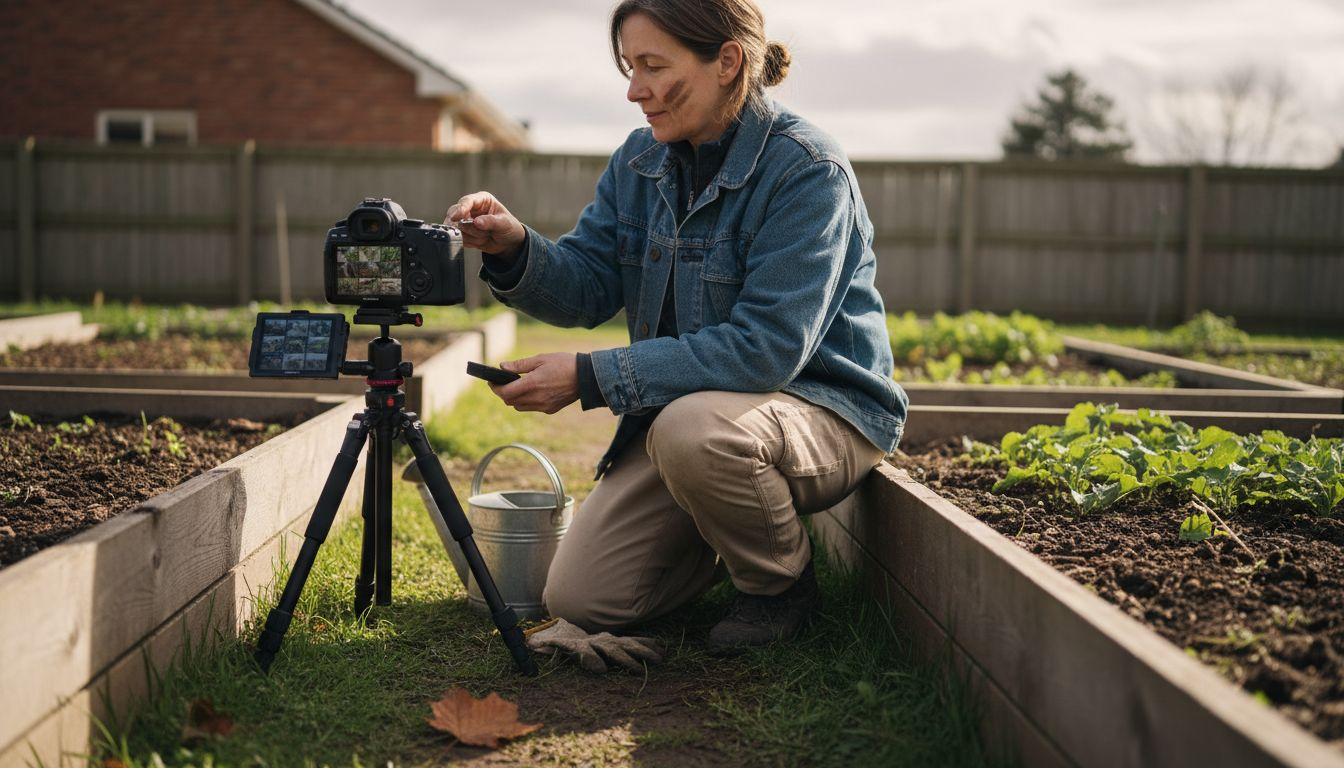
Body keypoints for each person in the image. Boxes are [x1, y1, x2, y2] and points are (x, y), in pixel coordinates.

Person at [445, 0, 907, 657]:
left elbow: (767, 350)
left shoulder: (807, 171)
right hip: (698, 428)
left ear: (727, 62)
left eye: (654, 67)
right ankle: (728, 526)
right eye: (630, 68)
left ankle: (779, 588)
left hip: (823, 409)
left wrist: (589, 376)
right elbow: (587, 283)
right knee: (579, 600)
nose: (635, 91)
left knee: (692, 432)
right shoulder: (642, 160)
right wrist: (513, 245)